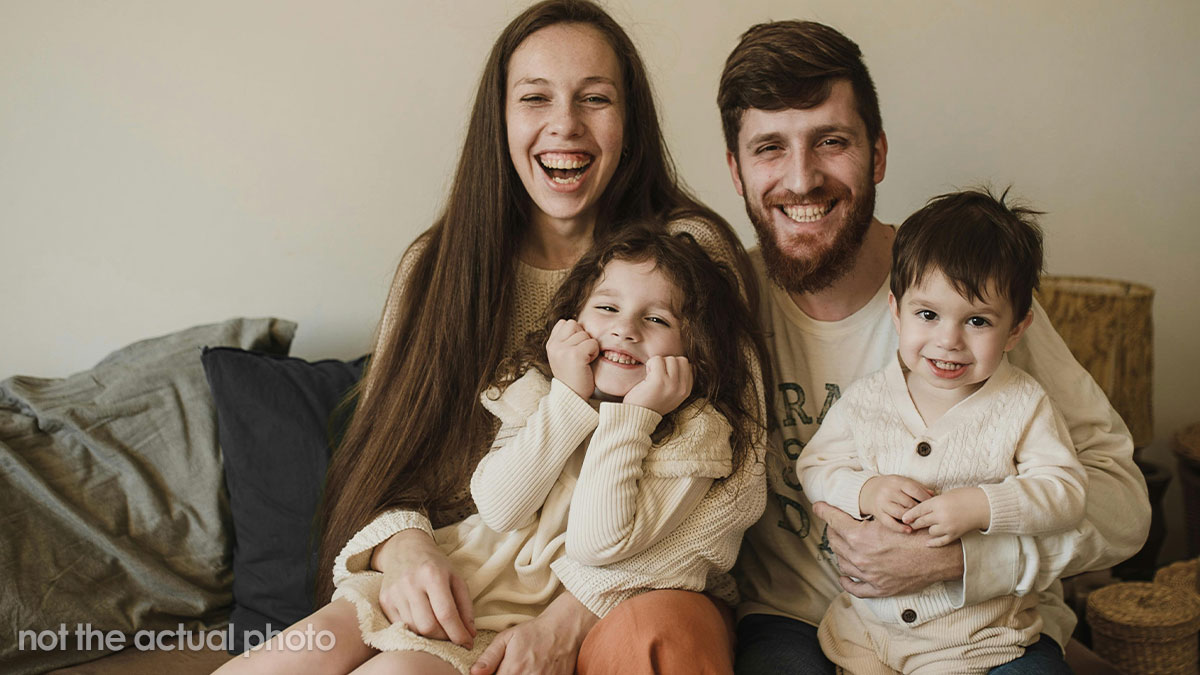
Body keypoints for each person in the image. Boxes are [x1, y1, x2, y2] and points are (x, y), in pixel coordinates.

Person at [214, 2, 765, 674]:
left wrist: (571, 615)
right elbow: (385, 461)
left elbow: (737, 487)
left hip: (618, 587)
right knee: (294, 657)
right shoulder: (437, 268)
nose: (565, 124)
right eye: (535, 97)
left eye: (595, 98)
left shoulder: (687, 253)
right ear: (499, 119)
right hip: (468, 569)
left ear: (630, 122)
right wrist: (402, 547)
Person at [715, 19, 1150, 674]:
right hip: (794, 622)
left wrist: (966, 559)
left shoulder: (969, 301)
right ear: (737, 170)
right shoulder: (724, 306)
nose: (801, 179)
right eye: (769, 147)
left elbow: (1124, 506)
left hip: (981, 628)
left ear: (877, 154)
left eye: (831, 141)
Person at [327, 227, 764, 674]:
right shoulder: (541, 389)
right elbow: (499, 508)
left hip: (513, 616)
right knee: (304, 649)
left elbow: (596, 544)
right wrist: (567, 399)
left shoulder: (693, 435)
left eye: (657, 320)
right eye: (607, 308)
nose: (624, 329)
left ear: (695, 349)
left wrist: (634, 417)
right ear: (572, 321)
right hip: (463, 573)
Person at [797, 189, 1088, 673]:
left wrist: (983, 505)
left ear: (1016, 329)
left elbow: (1066, 492)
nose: (948, 341)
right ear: (896, 311)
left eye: (977, 320)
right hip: (867, 631)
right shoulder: (867, 399)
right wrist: (866, 490)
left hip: (973, 640)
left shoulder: (1023, 404)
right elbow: (816, 465)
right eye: (928, 315)